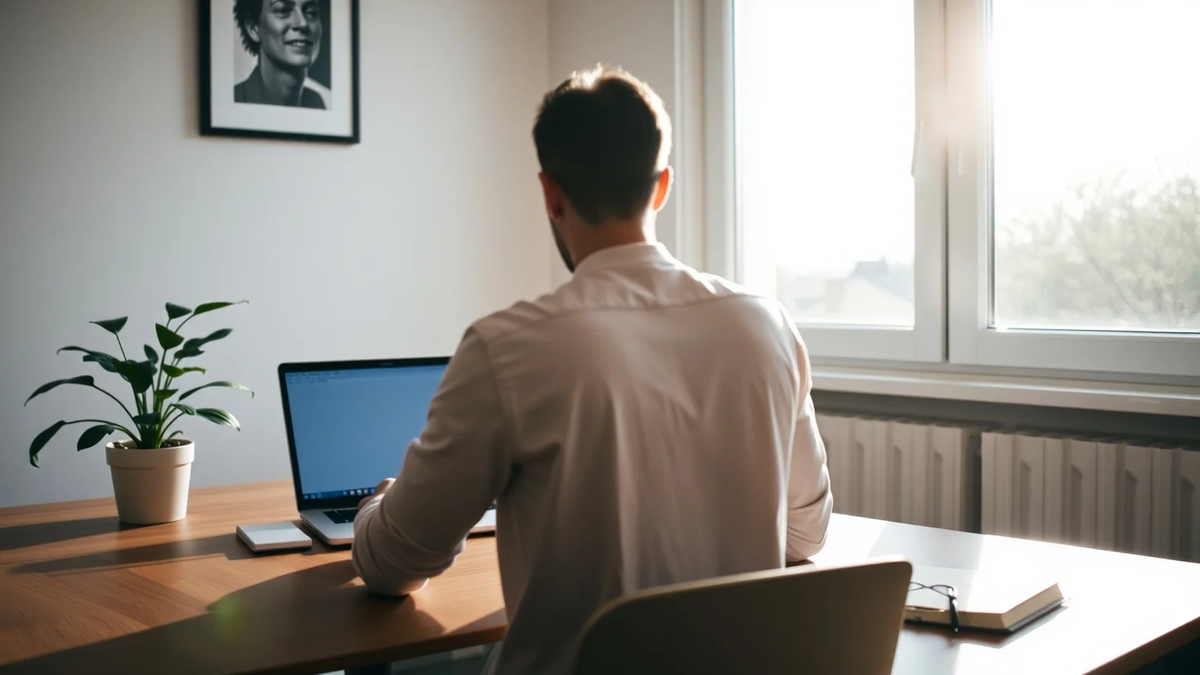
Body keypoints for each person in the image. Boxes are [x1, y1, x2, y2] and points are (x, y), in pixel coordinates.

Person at [352, 66, 833, 674]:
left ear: (550, 193)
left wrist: (377, 507)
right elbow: (806, 538)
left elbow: (395, 565)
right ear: (662, 186)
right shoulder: (768, 326)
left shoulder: (507, 349)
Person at [233, 0, 325, 109]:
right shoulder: (235, 100)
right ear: (253, 28)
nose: (303, 23)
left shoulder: (316, 102)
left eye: (311, 12)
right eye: (283, 10)